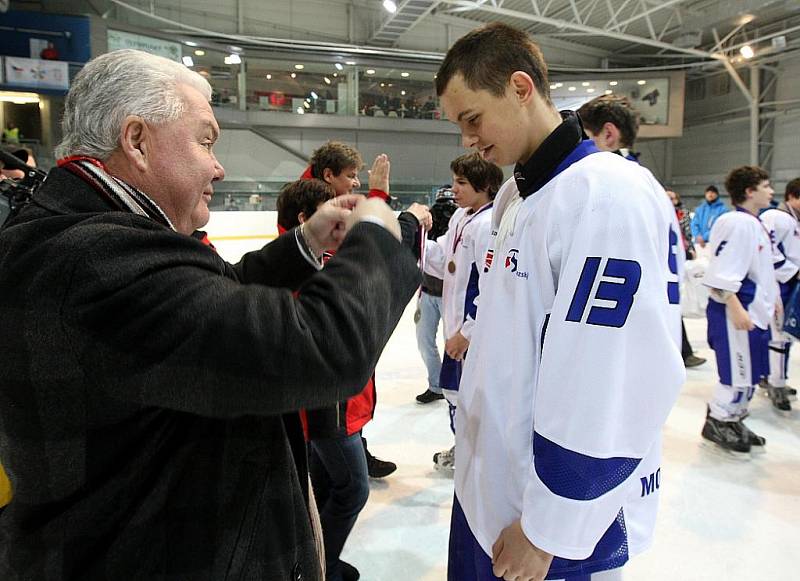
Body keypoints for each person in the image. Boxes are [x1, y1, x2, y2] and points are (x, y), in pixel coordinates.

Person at [0, 49, 421, 580]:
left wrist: (304, 246)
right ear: (137, 141)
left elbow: (199, 304)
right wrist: (380, 237)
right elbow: (321, 350)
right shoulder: (92, 258)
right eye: (205, 140)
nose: (218, 166)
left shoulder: (88, 235)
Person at [436, 22, 685, 581]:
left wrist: (551, 528)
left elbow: (608, 377)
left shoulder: (607, 193)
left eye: (472, 119)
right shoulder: (512, 196)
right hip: (488, 494)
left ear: (521, 87)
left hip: (549, 525)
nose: (468, 139)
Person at [299, 140, 431, 483]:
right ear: (329, 176)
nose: (355, 183)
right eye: (350, 176)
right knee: (348, 490)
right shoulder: (313, 206)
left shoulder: (318, 201)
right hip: (328, 364)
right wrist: (397, 214)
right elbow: (370, 254)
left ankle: (350, 450)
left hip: (329, 364)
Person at [423, 153, 502, 474]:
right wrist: (414, 236)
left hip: (471, 335)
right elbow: (442, 260)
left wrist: (467, 333)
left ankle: (477, 458)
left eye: (462, 183)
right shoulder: (460, 217)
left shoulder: (489, 225)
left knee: (472, 398)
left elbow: (492, 287)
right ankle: (466, 449)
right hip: (455, 329)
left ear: (483, 186)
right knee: (455, 394)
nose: (453, 189)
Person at [701, 166, 779, 452]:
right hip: (737, 311)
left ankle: (733, 419)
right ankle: (719, 421)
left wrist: (775, 302)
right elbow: (722, 271)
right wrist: (734, 307)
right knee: (736, 373)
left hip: (753, 310)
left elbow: (760, 270)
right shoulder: (738, 222)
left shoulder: (752, 222)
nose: (771, 191)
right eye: (766, 186)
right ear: (750, 191)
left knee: (749, 374)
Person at [759, 182, 800, 411]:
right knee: (778, 335)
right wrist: (793, 271)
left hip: (791, 285)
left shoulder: (794, 220)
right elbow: (768, 249)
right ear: (793, 196)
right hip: (779, 285)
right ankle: (775, 382)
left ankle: (776, 377)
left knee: (787, 335)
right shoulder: (777, 216)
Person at [415, 187, 458, 405]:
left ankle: (454, 387)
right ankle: (436, 385)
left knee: (452, 342)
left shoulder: (460, 228)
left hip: (450, 296)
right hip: (427, 292)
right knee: (424, 341)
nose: (445, 211)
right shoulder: (426, 228)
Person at [667, 189, 707, 369]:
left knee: (674, 310)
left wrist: (689, 248)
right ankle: (683, 352)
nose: (671, 200)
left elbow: (686, 234)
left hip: (677, 263)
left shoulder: (681, 215)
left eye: (673, 197)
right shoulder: (656, 213)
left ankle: (684, 352)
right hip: (664, 268)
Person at [577, 94, 640, 161]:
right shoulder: (637, 169)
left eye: (584, 137)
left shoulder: (588, 170)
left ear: (608, 134)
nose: (578, 147)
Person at [691, 185, 728, 249]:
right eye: (708, 192)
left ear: (717, 195)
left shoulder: (723, 210)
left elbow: (719, 227)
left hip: (715, 243)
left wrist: (704, 237)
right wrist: (697, 235)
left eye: (713, 192)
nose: (710, 194)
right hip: (699, 243)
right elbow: (694, 224)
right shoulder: (700, 209)